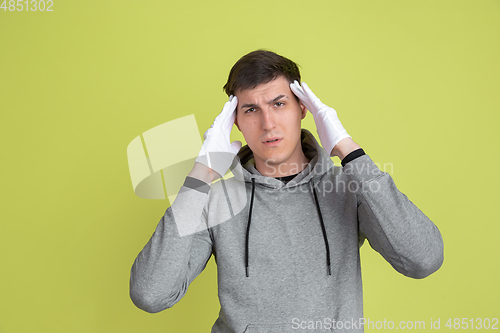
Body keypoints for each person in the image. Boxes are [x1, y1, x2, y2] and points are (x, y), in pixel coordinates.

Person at [129, 50, 444, 333]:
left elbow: (423, 259)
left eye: (279, 104)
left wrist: (348, 149)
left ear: (303, 109)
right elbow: (151, 294)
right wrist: (201, 174)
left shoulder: (349, 188)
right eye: (251, 110)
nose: (268, 123)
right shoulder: (215, 200)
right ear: (235, 122)